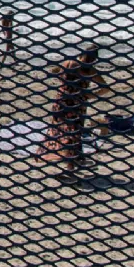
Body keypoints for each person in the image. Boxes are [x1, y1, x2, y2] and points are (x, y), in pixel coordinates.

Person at [37, 45, 112, 182]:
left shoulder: (68, 63)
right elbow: (105, 88)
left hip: (61, 101)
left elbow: (53, 71)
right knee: (73, 134)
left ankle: (59, 157)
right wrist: (90, 95)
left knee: (58, 130)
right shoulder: (89, 70)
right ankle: (71, 167)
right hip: (77, 104)